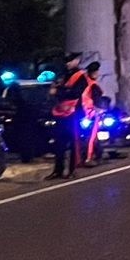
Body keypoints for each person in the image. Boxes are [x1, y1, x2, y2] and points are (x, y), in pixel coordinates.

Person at [48, 50, 88, 180]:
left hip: (74, 113)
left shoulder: (81, 76)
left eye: (70, 61)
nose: (68, 64)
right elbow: (56, 89)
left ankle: (72, 170)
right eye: (66, 61)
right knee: (59, 142)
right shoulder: (64, 75)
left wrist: (58, 91)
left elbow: (75, 93)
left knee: (73, 142)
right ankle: (58, 170)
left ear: (77, 61)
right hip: (60, 112)